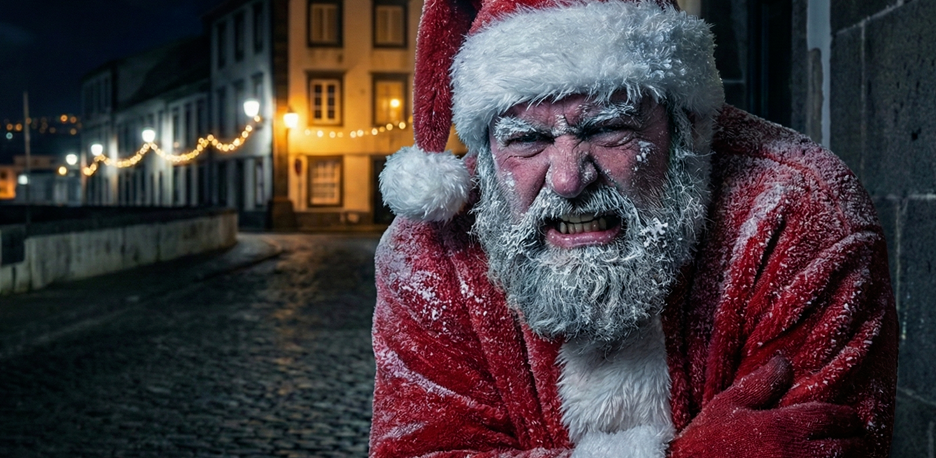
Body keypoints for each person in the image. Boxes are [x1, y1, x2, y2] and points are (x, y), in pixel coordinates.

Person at [370, 0, 899, 457]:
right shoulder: (431, 248)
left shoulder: (801, 211)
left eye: (609, 129)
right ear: (484, 154)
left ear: (685, 127)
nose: (569, 178)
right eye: (526, 140)